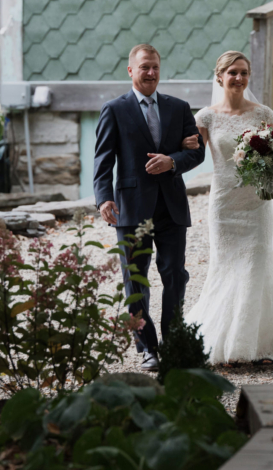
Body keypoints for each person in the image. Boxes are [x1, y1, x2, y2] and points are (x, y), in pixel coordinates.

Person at [183, 51, 273, 365]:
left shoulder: (264, 114)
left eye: (244, 73)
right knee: (224, 269)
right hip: (223, 205)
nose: (238, 78)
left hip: (257, 201)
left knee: (255, 269)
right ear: (219, 77)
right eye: (232, 73)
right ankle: (215, 341)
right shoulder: (205, 117)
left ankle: (246, 348)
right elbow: (194, 155)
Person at [93, 44, 206, 372]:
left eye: (155, 67)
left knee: (175, 276)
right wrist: (103, 198)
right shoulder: (114, 109)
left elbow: (196, 153)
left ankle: (173, 343)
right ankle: (147, 348)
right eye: (144, 67)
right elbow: (103, 159)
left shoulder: (179, 108)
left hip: (171, 207)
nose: (151, 73)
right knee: (135, 281)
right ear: (131, 70)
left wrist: (172, 160)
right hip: (130, 208)